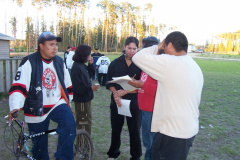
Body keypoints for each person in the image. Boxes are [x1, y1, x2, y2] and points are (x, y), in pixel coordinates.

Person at [132, 31, 204, 160]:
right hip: (188, 130)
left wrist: (157, 46)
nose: (163, 50)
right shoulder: (194, 65)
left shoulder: (169, 61)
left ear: (169, 45)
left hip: (172, 132)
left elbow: (137, 58)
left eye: (164, 47)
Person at [8, 31, 76, 160]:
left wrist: (69, 102)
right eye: (51, 44)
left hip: (57, 104)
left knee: (69, 124)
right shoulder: (29, 61)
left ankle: (64, 157)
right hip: (36, 107)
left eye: (56, 45)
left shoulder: (59, 61)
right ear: (41, 45)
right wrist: (15, 106)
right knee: (39, 147)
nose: (55, 48)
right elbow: (19, 86)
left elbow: (67, 84)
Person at [106, 37, 142, 160]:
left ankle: (135, 156)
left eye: (134, 49)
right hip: (117, 101)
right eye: (129, 48)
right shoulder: (115, 63)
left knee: (135, 130)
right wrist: (116, 93)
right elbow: (109, 82)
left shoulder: (141, 65)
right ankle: (113, 153)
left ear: (137, 49)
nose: (132, 51)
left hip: (134, 102)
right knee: (116, 129)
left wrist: (128, 90)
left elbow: (144, 84)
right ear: (125, 47)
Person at [128, 36, 159, 160]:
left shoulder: (158, 68)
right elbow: (143, 86)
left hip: (152, 111)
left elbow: (159, 90)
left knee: (151, 144)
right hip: (144, 109)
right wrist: (129, 87)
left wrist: (141, 84)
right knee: (147, 143)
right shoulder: (146, 67)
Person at [71, 44, 100, 136]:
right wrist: (91, 88)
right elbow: (76, 88)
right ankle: (82, 146)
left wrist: (90, 65)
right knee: (83, 122)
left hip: (86, 98)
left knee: (87, 121)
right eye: (89, 54)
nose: (90, 56)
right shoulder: (76, 67)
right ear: (83, 55)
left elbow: (90, 75)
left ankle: (86, 143)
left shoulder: (82, 65)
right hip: (81, 100)